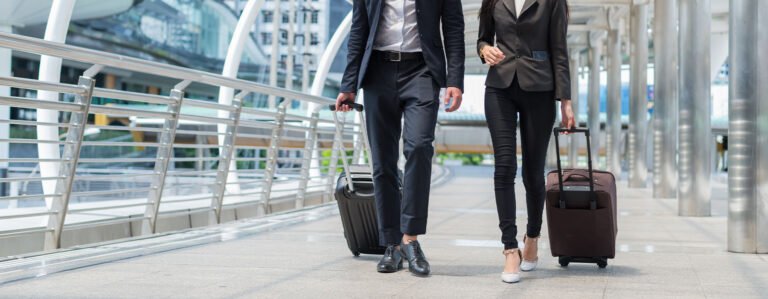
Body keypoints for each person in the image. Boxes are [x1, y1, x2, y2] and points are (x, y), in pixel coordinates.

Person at [335, 0, 465, 276]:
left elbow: (454, 30)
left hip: (422, 71)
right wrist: (348, 86)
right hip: (377, 73)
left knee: (419, 147)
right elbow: (358, 31)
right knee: (383, 162)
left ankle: (411, 239)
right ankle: (391, 244)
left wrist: (454, 80)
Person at [477, 0, 574, 283]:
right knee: (504, 166)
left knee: (532, 172)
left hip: (540, 89)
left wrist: (566, 101)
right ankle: (509, 248)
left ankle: (532, 235)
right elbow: (483, 38)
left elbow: (559, 49)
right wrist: (484, 50)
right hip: (499, 88)